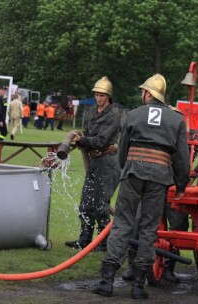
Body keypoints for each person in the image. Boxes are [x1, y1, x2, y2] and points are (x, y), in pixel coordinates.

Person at [92, 74, 189, 299]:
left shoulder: (134, 114)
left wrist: (127, 169)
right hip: (160, 178)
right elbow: (182, 157)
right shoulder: (176, 119)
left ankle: (107, 282)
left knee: (123, 223)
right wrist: (181, 184)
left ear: (148, 94)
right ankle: (138, 286)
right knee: (148, 228)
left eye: (143, 91)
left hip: (133, 172)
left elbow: (123, 149)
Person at [64, 76, 121, 252]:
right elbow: (89, 135)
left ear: (108, 96)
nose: (98, 98)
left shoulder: (114, 115)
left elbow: (101, 140)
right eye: (96, 94)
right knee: (86, 202)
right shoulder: (92, 112)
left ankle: (103, 243)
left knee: (101, 206)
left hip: (107, 163)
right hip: (94, 162)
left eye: (102, 95)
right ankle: (85, 239)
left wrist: (82, 140)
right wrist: (81, 138)